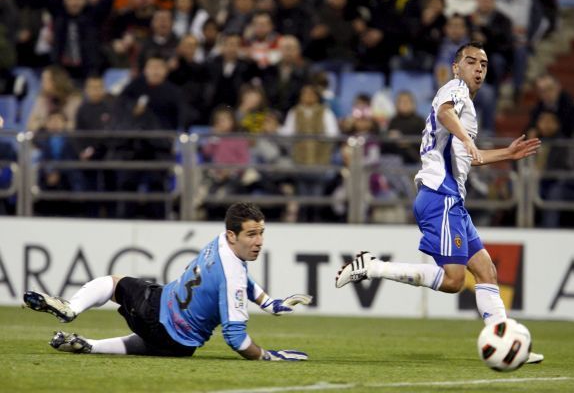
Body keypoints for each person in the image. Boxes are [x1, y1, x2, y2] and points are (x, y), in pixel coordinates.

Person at [335, 42, 544, 364]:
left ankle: (508, 343)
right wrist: (468, 139)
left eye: (484, 64)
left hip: (452, 199)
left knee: (486, 272)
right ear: (456, 66)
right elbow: (445, 113)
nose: (478, 68)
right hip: (439, 195)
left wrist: (506, 154)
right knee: (454, 280)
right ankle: (373, 267)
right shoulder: (454, 88)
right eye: (471, 61)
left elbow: (468, 158)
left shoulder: (467, 107)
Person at [23, 202, 312, 360]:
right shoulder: (233, 274)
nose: (259, 241)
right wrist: (267, 356)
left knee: (115, 283)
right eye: (252, 234)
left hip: (159, 312)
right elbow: (236, 339)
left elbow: (242, 282)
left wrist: (267, 302)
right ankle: (86, 339)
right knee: (142, 336)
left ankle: (74, 311)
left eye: (261, 233)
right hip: (181, 344)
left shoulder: (221, 244)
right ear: (232, 236)